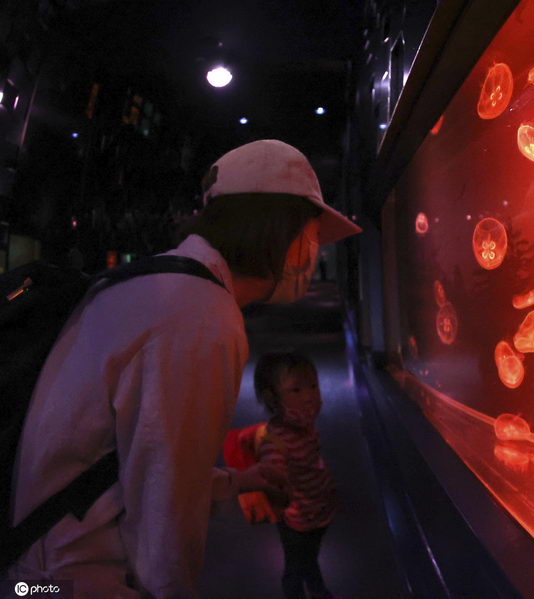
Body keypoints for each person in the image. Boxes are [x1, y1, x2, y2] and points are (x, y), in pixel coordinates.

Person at [9, 139, 360, 598]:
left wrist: (237, 481)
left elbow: (137, 456)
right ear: (276, 227)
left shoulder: (162, 282)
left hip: (39, 568)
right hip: (75, 578)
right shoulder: (200, 313)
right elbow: (165, 515)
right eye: (310, 234)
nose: (312, 253)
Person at [254, 352, 337, 599]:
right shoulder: (276, 439)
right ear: (273, 398)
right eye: (296, 390)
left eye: (313, 385)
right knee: (294, 568)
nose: (310, 395)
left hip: (319, 511)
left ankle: (319, 591)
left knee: (308, 560)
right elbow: (273, 475)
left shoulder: (305, 426)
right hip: (296, 520)